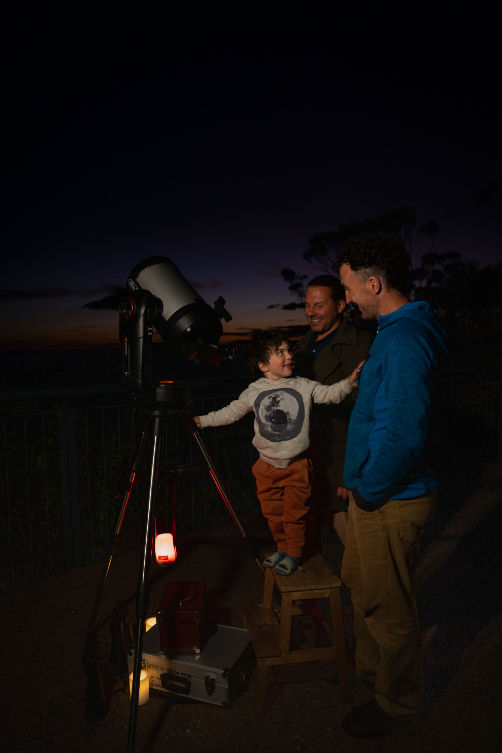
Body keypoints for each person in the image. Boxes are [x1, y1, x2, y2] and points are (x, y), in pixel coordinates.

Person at [335, 234, 447, 739]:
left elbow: (404, 432)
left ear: (372, 283)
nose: (346, 299)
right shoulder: (396, 330)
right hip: (375, 494)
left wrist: (369, 489)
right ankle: (372, 674)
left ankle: (397, 703)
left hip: (391, 498)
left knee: (391, 607)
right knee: (363, 587)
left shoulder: (404, 338)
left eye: (348, 287)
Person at [192, 329, 364, 575]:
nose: (289, 356)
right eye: (280, 352)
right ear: (263, 365)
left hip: (297, 466)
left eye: (289, 350)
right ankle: (282, 548)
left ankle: (294, 553)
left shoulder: (303, 385)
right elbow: (230, 412)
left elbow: (330, 394)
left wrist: (349, 382)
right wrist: (202, 420)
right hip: (266, 466)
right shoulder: (254, 391)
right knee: (273, 514)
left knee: (295, 514)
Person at [291, 275, 373, 546]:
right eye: (306, 305)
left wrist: (352, 470)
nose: (310, 313)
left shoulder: (363, 344)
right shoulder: (298, 348)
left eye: (319, 305)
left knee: (351, 533)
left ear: (340, 306)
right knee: (310, 526)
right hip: (304, 454)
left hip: (340, 456)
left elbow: (370, 411)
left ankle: (368, 587)